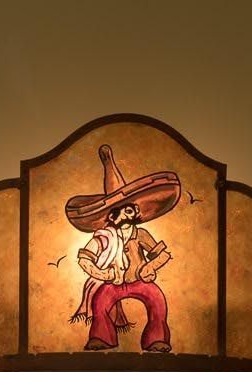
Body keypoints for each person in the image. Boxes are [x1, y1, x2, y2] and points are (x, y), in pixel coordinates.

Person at [65, 145, 181, 353]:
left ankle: (157, 340)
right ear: (111, 216)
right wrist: (102, 273)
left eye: (131, 210)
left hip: (140, 281)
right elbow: (85, 258)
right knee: (100, 303)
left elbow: (161, 254)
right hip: (114, 281)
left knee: (157, 301)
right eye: (123, 211)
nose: (128, 215)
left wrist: (150, 267)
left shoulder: (141, 235)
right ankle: (102, 338)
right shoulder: (103, 237)